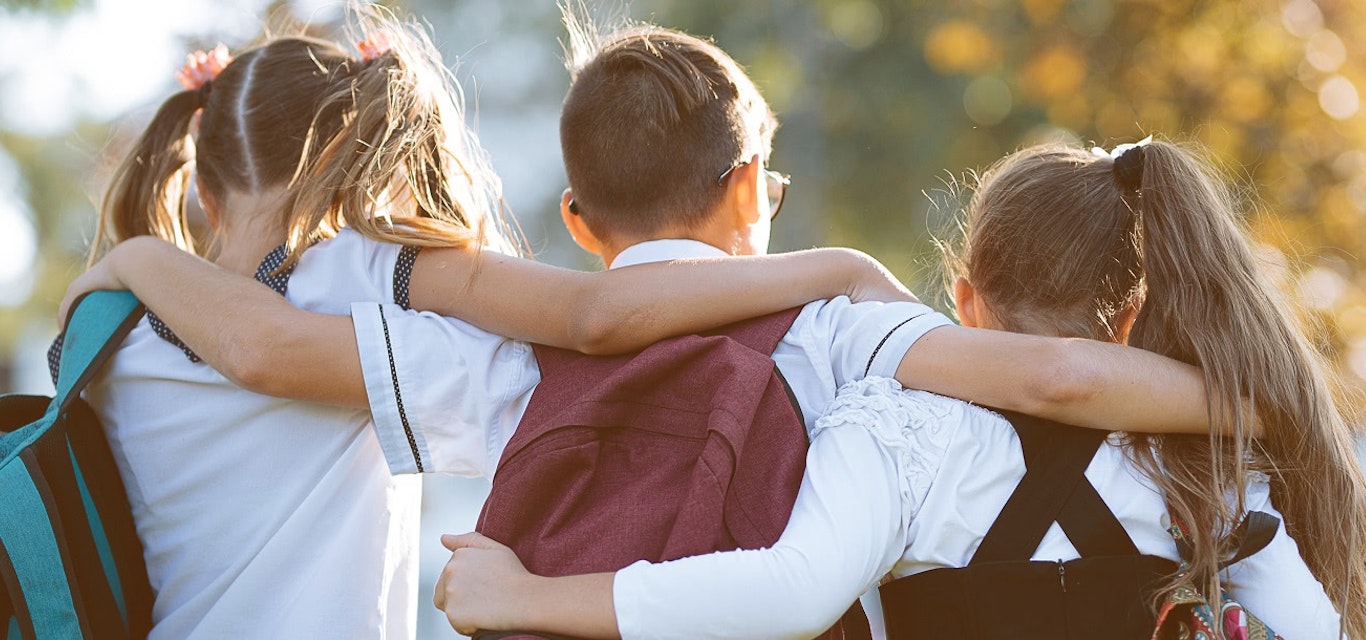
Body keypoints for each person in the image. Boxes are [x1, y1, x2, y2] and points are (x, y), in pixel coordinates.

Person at [71, 14, 1227, 636]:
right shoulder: (834, 329)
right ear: (751, 184)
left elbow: (593, 313)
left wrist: (130, 258)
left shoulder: (488, 365)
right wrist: (1253, 398)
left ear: (576, 217)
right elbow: (1055, 377)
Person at [433, 140, 1366, 640]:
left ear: (961, 298)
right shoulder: (1202, 461)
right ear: (1130, 320)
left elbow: (791, 594)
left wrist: (527, 597)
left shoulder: (897, 428)